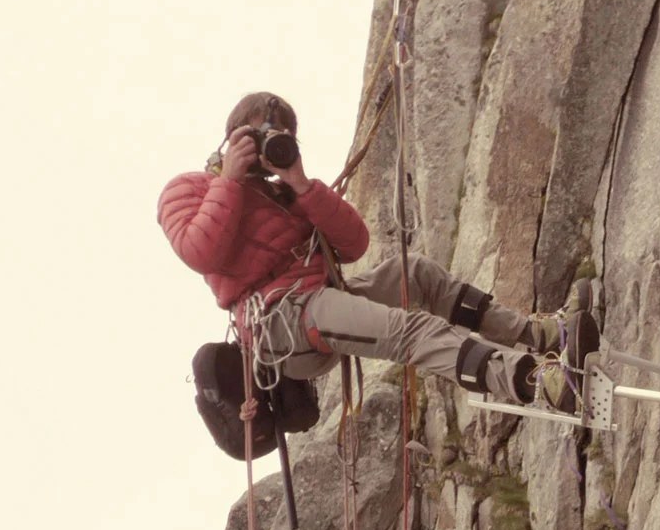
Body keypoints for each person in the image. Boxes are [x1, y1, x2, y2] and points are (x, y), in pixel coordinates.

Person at [160, 91, 593, 415]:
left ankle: (542, 336)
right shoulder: (189, 189)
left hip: (321, 301)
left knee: (418, 274)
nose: (268, 145)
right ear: (233, 137)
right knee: (411, 331)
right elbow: (200, 252)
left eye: (279, 137)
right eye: (259, 136)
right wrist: (231, 180)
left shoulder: (286, 195)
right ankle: (538, 383)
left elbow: (354, 245)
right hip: (282, 322)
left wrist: (301, 185)